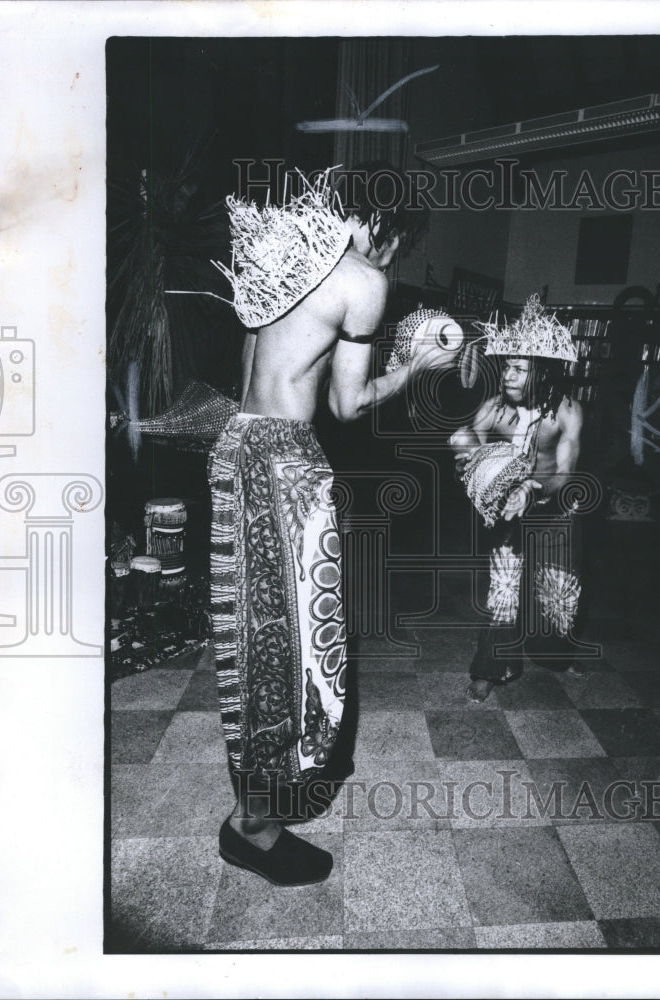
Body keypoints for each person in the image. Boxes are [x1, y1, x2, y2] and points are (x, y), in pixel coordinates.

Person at [208, 165, 459, 885]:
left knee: (253, 633)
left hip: (237, 444)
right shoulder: (362, 280)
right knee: (298, 641)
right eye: (398, 244)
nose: (391, 261)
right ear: (386, 226)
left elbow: (250, 372)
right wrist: (413, 364)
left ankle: (255, 801)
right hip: (287, 458)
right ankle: (253, 827)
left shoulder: (276, 255)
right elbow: (349, 406)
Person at [449, 295, 584, 702]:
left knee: (557, 594)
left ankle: (555, 655)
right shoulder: (496, 408)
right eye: (507, 365)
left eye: (519, 368)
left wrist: (531, 487)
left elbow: (564, 474)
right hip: (508, 512)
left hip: (556, 511)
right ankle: (490, 668)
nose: (508, 374)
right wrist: (472, 461)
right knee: (503, 589)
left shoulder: (568, 411)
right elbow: (466, 438)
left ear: (540, 372)